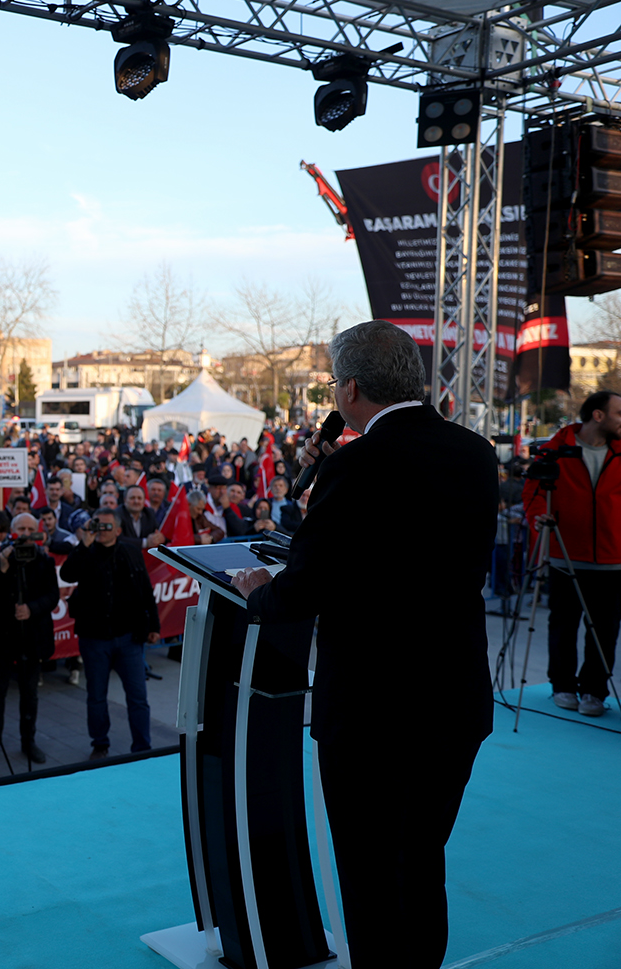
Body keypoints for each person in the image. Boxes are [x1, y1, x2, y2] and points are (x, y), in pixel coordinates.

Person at [231, 319, 497, 969]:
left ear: (350, 389)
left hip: (376, 712)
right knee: (420, 863)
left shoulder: (359, 463)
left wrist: (260, 588)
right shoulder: (473, 450)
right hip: (454, 697)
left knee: (374, 878)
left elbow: (304, 590)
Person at [520, 389, 621, 716]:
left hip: (612, 556)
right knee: (563, 624)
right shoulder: (555, 450)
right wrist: (538, 519)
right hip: (565, 552)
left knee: (605, 628)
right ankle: (562, 685)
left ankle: (594, 690)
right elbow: (533, 493)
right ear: (598, 415)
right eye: (618, 414)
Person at [60, 508, 161, 758]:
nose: (101, 531)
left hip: (129, 638)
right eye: (98, 525)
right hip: (94, 639)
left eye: (107, 526)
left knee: (138, 697)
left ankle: (142, 748)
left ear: (118, 530)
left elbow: (145, 589)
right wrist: (84, 544)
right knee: (96, 696)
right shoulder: (86, 552)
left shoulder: (129, 552)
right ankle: (100, 744)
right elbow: (67, 574)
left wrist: (154, 626)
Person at [0, 512, 59, 765]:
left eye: (29, 529)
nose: (24, 533)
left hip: (31, 637)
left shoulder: (44, 559)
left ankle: (28, 742)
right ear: (12, 531)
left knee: (29, 693)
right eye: (20, 528)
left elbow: (52, 596)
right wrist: (2, 568)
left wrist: (31, 609)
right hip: (2, 636)